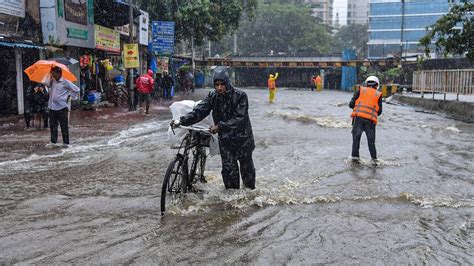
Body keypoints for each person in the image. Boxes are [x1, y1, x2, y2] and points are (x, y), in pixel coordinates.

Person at [171, 69, 256, 190]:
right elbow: (199, 111)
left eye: (222, 84)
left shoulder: (241, 96)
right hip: (226, 140)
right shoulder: (213, 96)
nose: (220, 88)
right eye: (217, 85)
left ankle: (250, 198)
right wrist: (182, 121)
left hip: (243, 139)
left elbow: (239, 118)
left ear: (227, 83)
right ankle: (233, 201)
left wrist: (220, 126)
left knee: (247, 173)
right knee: (229, 172)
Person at [349, 76, 383, 162]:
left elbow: (351, 104)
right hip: (370, 122)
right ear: (377, 85)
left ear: (366, 83)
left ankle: (355, 161)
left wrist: (359, 108)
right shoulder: (378, 94)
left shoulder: (360, 90)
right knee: (371, 144)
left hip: (358, 120)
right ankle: (374, 161)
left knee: (356, 142)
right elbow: (379, 112)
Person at [48, 66, 80, 145]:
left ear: (59, 74)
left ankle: (66, 143)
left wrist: (71, 97)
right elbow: (47, 85)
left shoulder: (65, 82)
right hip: (52, 107)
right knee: (53, 126)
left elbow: (76, 90)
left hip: (62, 108)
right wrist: (49, 78)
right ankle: (53, 142)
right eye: (52, 73)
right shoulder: (53, 81)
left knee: (64, 127)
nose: (53, 75)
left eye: (54, 73)